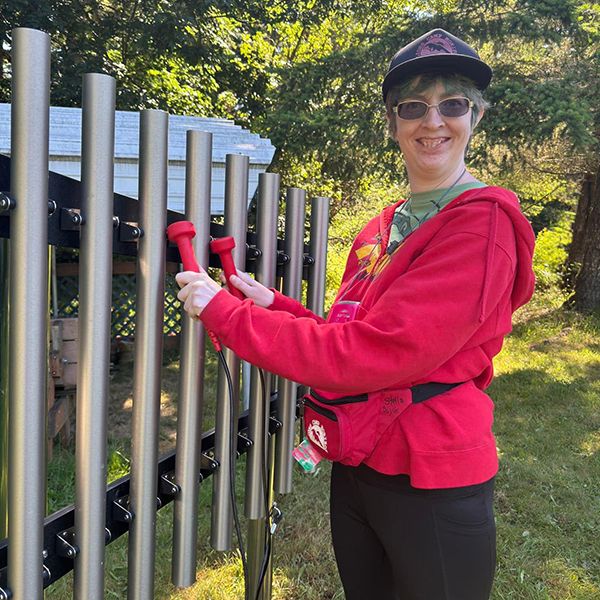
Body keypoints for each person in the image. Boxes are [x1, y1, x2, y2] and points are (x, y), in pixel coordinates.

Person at [176, 28, 535, 600]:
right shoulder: (381, 225)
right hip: (359, 458)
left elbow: (377, 355)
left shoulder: (481, 223)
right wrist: (277, 305)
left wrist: (226, 315)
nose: (433, 121)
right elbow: (352, 330)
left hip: (431, 475)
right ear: (393, 123)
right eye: (413, 107)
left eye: (453, 104)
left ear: (477, 116)